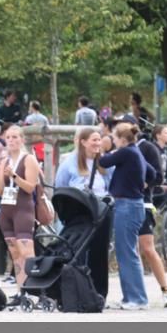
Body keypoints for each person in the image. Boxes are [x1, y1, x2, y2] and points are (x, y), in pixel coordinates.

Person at [99, 122, 154, 310]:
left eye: (114, 139)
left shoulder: (126, 152)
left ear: (122, 139)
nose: (112, 142)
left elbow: (104, 162)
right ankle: (129, 297)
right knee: (126, 252)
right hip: (133, 204)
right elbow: (153, 173)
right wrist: (141, 183)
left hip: (127, 206)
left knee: (127, 253)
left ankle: (137, 299)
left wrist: (105, 149)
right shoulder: (136, 152)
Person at [55, 128, 113, 298]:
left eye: (99, 140)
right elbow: (61, 186)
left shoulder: (104, 163)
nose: (97, 143)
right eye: (94, 140)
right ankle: (76, 290)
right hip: (80, 211)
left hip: (101, 211)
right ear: (83, 142)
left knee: (100, 252)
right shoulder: (69, 164)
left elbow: (109, 186)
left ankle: (99, 293)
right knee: (77, 251)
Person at [128, 117, 167, 307]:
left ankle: (166, 291)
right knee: (131, 251)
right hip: (123, 204)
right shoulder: (120, 148)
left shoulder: (146, 147)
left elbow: (157, 175)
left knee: (148, 247)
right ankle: (135, 294)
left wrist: (144, 184)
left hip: (142, 202)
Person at [0, 125, 40, 304]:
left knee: (26, 251)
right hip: (7, 209)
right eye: (8, 138)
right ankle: (21, 292)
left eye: (15, 137)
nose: (11, 141)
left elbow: (30, 187)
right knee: (14, 253)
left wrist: (13, 176)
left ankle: (34, 290)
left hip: (23, 208)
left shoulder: (28, 159)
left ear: (22, 140)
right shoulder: (5, 161)